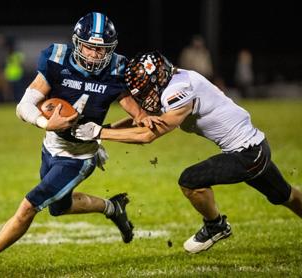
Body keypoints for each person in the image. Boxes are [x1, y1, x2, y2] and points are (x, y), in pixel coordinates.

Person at [0, 12, 154, 275]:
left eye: (100, 49)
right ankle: (113, 207)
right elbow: (24, 105)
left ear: (110, 50)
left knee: (29, 206)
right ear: (77, 43)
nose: (94, 55)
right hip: (51, 146)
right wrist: (47, 124)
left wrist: (106, 131)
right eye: (89, 47)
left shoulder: (116, 70)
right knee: (59, 207)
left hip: (78, 158)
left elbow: (138, 117)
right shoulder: (58, 59)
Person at [74, 51, 302, 254]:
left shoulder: (178, 91)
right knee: (286, 195)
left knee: (190, 180)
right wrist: (107, 132)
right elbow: (144, 121)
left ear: (158, 79)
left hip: (248, 154)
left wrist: (99, 133)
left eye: (144, 90)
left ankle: (216, 226)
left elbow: (148, 135)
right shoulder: (172, 81)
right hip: (253, 148)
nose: (143, 98)